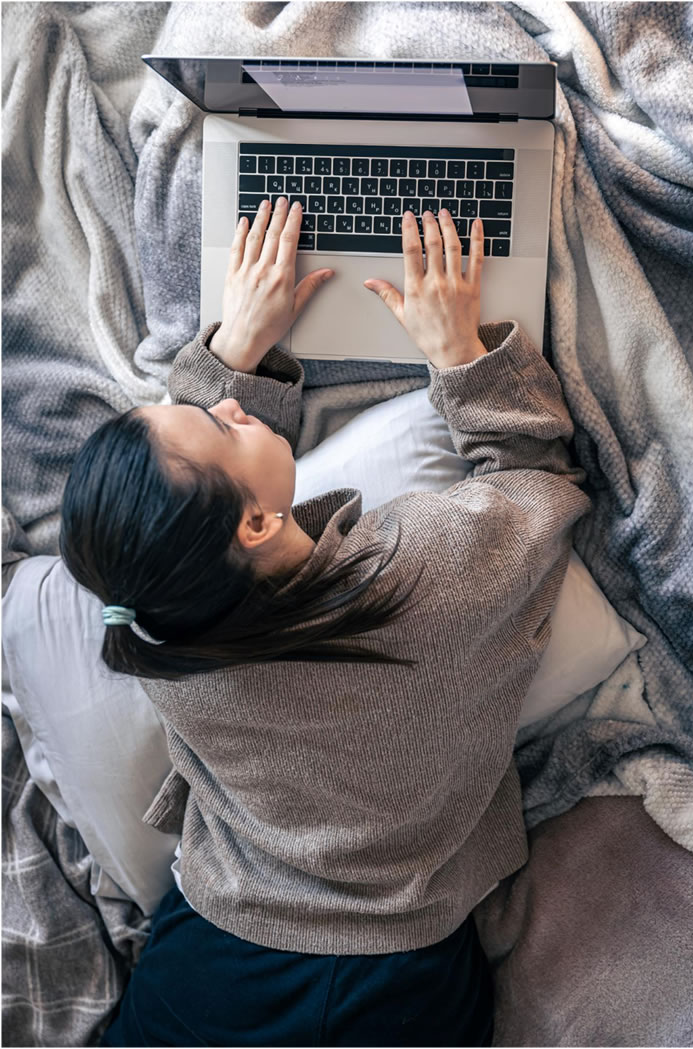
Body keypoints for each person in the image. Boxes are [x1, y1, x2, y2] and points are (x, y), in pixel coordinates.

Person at [60, 196, 591, 1047]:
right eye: (217, 422)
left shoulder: (157, 625)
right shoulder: (424, 579)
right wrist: (459, 350)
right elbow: (535, 483)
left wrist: (234, 348)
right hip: (392, 971)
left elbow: (189, 520)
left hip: (216, 953)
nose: (229, 407)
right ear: (258, 526)